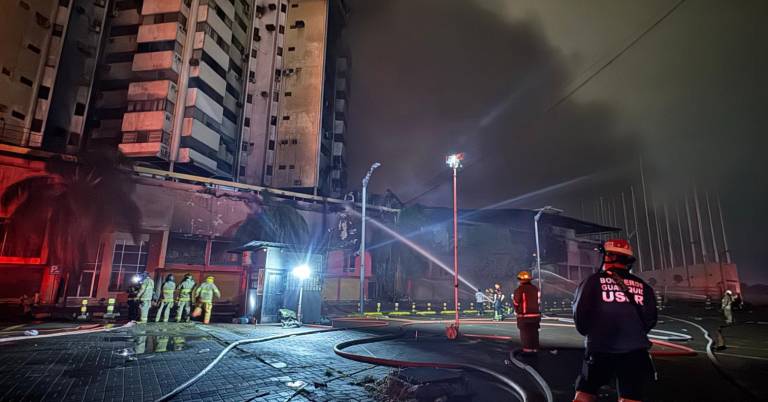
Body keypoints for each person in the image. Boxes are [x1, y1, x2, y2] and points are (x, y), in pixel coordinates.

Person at [572, 239, 658, 402]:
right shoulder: (644, 287)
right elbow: (650, 319)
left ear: (608, 257)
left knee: (585, 392)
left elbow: (580, 315)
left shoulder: (592, 282)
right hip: (635, 351)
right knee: (631, 396)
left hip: (600, 349)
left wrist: (591, 334)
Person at [513, 271, 541, 353]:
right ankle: (535, 349)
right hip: (536, 316)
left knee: (526, 334)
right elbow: (538, 301)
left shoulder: (519, 289)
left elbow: (516, 302)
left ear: (520, 280)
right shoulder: (535, 289)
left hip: (524, 316)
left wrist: (517, 311)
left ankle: (527, 352)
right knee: (534, 333)